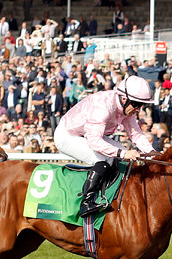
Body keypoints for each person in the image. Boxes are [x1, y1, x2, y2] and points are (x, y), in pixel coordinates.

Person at [54, 76, 156, 217]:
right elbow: (95, 141)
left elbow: (135, 134)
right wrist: (123, 153)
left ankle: (111, 196)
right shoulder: (103, 105)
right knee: (105, 158)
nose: (139, 109)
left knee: (122, 156)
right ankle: (86, 202)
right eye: (137, 104)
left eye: (141, 105)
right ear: (124, 98)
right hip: (67, 135)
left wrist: (152, 152)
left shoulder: (127, 107)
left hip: (87, 134)